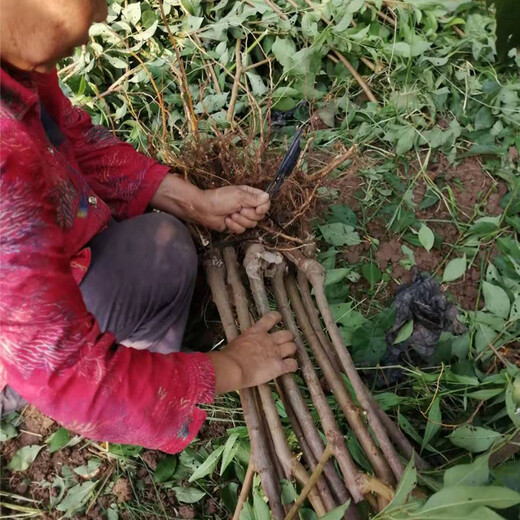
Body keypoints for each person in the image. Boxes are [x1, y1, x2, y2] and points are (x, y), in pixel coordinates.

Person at [0, 0, 298, 453]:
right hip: (17, 343)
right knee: (163, 257)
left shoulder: (16, 59)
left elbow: (68, 137)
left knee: (159, 245)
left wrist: (195, 203)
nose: (102, 14)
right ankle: (28, 388)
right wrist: (234, 366)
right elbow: (68, 373)